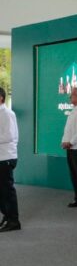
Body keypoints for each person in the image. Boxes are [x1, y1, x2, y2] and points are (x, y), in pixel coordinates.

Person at [0, 87, 20, 232]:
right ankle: (7, 216)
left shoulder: (7, 114)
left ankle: (14, 221)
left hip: (6, 157)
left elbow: (10, 136)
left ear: (1, 98)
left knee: (7, 190)